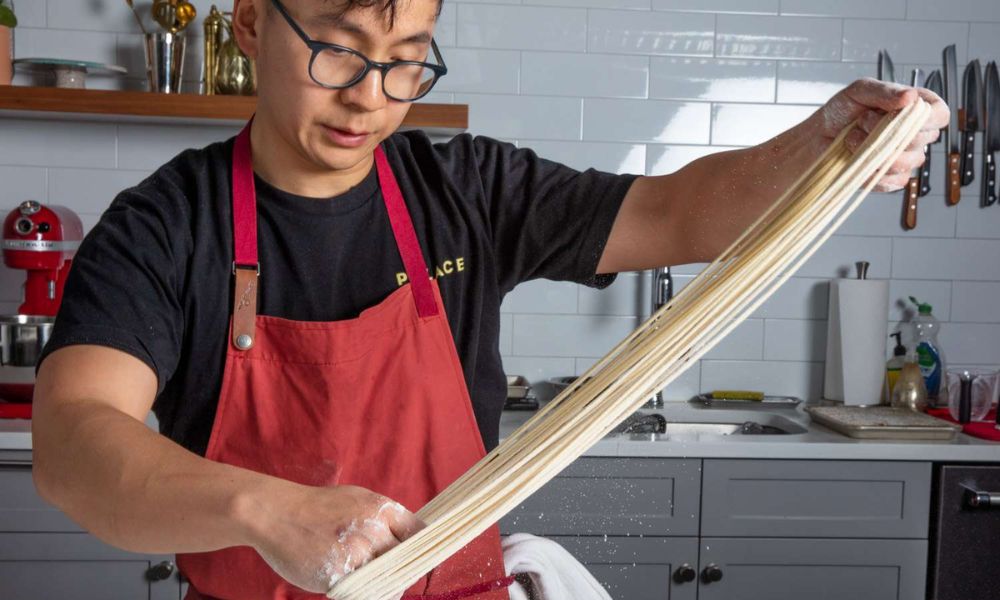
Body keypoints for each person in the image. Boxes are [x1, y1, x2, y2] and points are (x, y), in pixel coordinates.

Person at [30, 0, 950, 598]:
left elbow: (676, 212)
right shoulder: (163, 226)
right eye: (339, 53)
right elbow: (74, 441)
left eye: (405, 62)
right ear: (247, 26)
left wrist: (832, 145)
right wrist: (266, 511)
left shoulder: (465, 191)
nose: (371, 100)